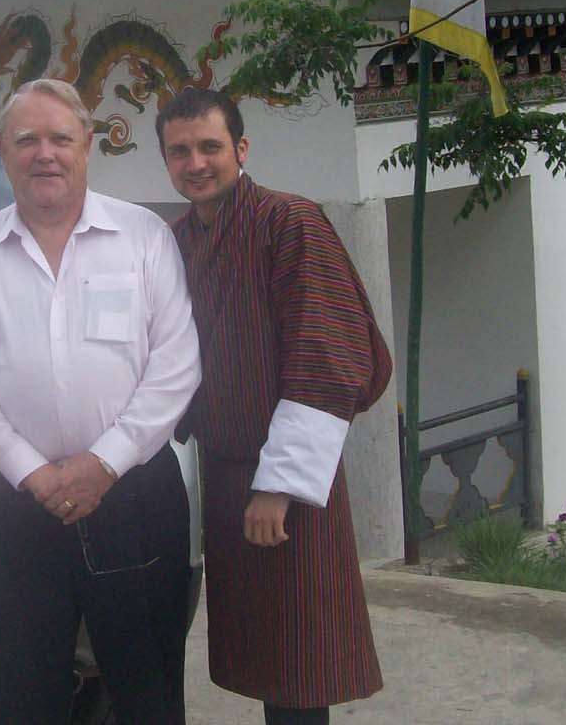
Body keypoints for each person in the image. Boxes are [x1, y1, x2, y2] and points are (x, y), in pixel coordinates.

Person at [0, 78, 201, 725]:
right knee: (28, 690)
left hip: (133, 493)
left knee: (148, 687)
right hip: (15, 502)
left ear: (88, 145)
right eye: (27, 139)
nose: (44, 153)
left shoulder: (144, 237)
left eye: (60, 137)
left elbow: (175, 363)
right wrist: (35, 472)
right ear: (4, 151)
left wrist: (103, 462)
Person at [157, 86, 392, 725]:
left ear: (241, 147)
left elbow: (326, 356)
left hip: (287, 479)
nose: (196, 163)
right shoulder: (179, 241)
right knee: (266, 650)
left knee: (299, 659)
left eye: (209, 146)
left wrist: (279, 486)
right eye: (180, 152)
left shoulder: (289, 222)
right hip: (228, 471)